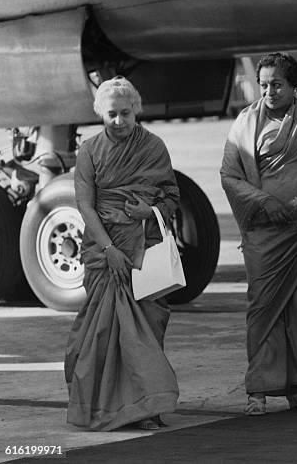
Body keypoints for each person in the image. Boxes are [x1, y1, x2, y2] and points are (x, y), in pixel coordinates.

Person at [221, 53, 297, 416]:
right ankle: (258, 389)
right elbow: (229, 175)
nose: (269, 91)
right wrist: (264, 202)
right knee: (263, 308)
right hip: (265, 233)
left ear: (295, 86)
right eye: (264, 84)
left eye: (278, 84)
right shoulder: (245, 123)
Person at [65, 76, 180, 431]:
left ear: (137, 111)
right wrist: (110, 249)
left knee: (147, 326)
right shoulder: (89, 151)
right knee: (101, 332)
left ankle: (147, 406)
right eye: (112, 114)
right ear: (101, 113)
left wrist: (152, 212)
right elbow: (86, 206)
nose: (119, 121)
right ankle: (103, 406)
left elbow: (171, 196)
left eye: (125, 113)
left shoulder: (154, 146)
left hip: (146, 248)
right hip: (105, 250)